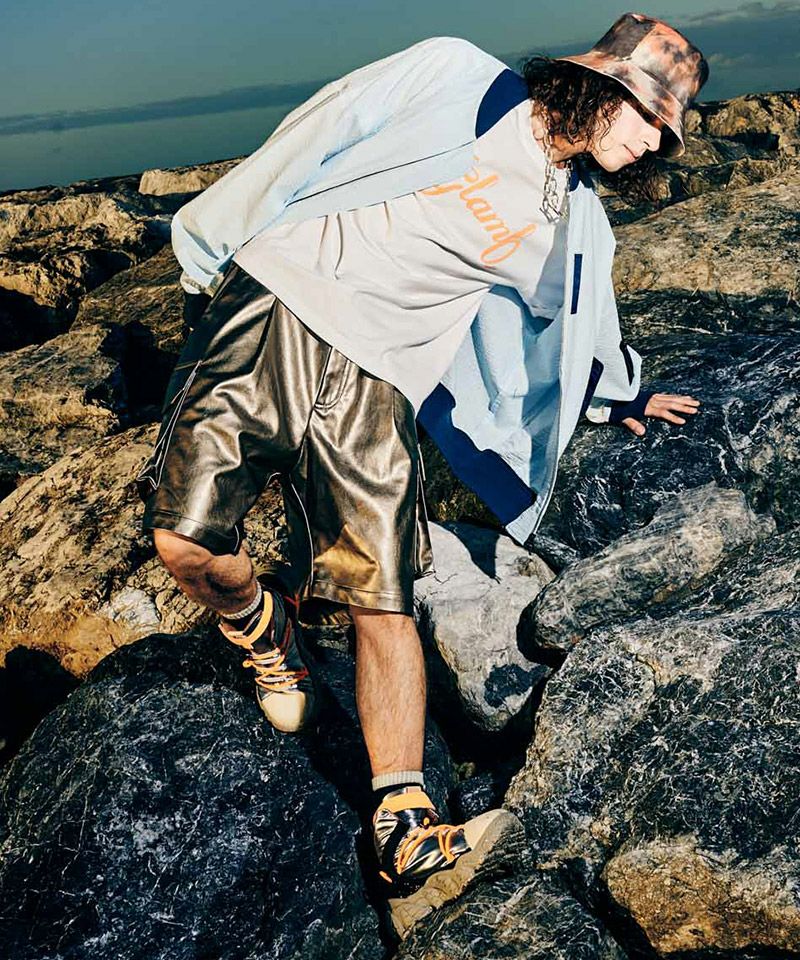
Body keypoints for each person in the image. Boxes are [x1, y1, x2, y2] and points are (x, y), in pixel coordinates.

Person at [134, 12, 708, 937]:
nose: (653, 140)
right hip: (280, 301)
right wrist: (207, 247)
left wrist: (623, 397)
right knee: (185, 540)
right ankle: (261, 627)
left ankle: (405, 825)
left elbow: (579, 328)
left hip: (382, 381)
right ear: (598, 83)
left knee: (383, 595)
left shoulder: (579, 225)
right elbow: (324, 125)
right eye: (647, 114)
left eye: (665, 132)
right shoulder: (457, 77)